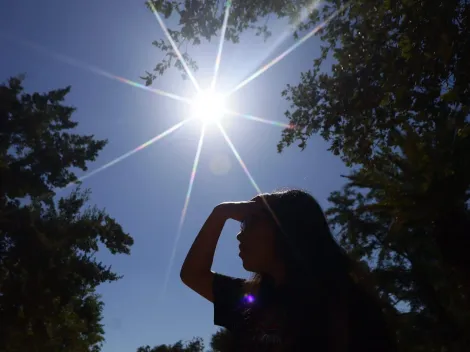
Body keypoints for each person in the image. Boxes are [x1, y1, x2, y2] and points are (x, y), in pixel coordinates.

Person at [180, 189, 396, 351]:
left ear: (287, 229)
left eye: (251, 222)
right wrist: (221, 212)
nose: (239, 234)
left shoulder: (350, 306)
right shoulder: (249, 297)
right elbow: (192, 274)